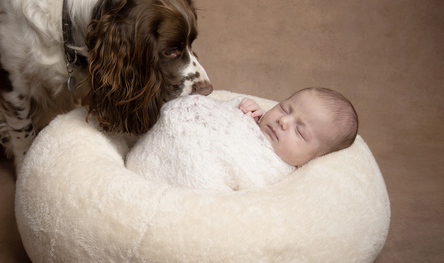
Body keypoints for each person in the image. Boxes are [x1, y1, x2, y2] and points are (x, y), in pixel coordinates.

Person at [125, 87, 358, 192]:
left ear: (313, 158)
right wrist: (245, 112)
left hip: (197, 171)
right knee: (187, 105)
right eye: (285, 109)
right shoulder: (260, 123)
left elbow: (247, 182)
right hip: (177, 140)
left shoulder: (280, 172)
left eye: (300, 131)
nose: (284, 122)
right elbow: (222, 116)